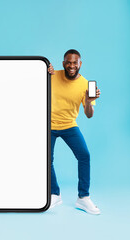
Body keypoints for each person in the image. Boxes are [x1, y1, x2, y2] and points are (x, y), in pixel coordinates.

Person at [48, 49, 101, 215]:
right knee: (46, 158)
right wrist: (42, 69)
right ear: (63, 63)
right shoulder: (52, 75)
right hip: (48, 125)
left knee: (84, 155)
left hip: (69, 125)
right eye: (68, 62)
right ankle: (54, 194)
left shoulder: (85, 85)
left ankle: (83, 198)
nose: (71, 66)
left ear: (80, 64)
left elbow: (89, 115)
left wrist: (88, 101)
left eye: (75, 63)